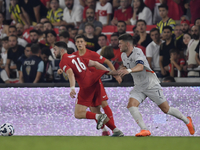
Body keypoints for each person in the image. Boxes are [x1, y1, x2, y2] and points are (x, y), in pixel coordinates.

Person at [117, 33, 195, 136]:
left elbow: (140, 67)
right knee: (131, 106)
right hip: (139, 86)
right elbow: (126, 66)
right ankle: (144, 129)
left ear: (127, 44)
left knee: (166, 109)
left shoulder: (138, 52)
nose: (119, 45)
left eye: (120, 43)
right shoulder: (123, 55)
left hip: (151, 84)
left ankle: (187, 121)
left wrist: (129, 70)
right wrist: (120, 72)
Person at [55, 41, 123, 136]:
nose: (53, 52)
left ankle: (100, 117)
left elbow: (70, 72)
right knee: (95, 110)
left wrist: (72, 88)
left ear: (61, 50)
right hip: (95, 81)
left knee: (78, 113)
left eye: (55, 49)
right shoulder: (77, 57)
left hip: (86, 86)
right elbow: (95, 64)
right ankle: (116, 131)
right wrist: (109, 72)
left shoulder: (63, 61)